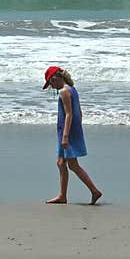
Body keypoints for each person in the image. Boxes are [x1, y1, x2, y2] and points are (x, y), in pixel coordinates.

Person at [42, 65, 103, 205]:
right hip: (70, 130)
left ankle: (94, 191)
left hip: (66, 132)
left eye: (51, 82)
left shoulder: (64, 91)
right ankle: (62, 196)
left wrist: (65, 136)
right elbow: (79, 113)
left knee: (73, 165)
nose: (51, 86)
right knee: (61, 162)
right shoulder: (72, 89)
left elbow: (69, 114)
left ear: (56, 77)